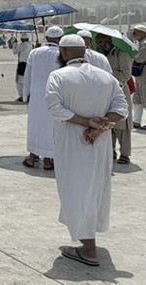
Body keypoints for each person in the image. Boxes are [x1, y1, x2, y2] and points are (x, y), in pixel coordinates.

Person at [45, 34, 128, 267]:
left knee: (76, 190)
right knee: (94, 190)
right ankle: (87, 240)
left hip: (72, 143)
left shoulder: (58, 76)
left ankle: (89, 248)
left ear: (63, 52)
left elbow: (54, 108)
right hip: (99, 144)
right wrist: (99, 128)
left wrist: (88, 123)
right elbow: (121, 108)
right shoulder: (106, 77)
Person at [22, 26, 63, 170]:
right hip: (55, 95)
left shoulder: (35, 52)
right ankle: (47, 159)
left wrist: (25, 96)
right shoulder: (62, 53)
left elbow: (27, 75)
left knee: (35, 126)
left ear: (46, 38)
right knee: (51, 127)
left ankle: (32, 157)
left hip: (36, 96)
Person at [95, 33, 134, 164]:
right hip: (105, 92)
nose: (100, 44)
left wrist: (108, 74)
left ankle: (125, 154)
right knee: (107, 122)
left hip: (120, 91)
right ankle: (110, 151)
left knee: (122, 125)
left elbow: (126, 74)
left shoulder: (121, 53)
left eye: (102, 41)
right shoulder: (99, 55)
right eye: (98, 42)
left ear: (109, 40)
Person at [131, 24, 146, 129]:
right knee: (138, 98)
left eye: (136, 32)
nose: (134, 34)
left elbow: (140, 58)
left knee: (144, 96)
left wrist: (131, 55)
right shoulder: (140, 43)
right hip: (141, 75)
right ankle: (136, 121)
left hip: (144, 74)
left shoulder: (145, 44)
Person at [12, 34, 35, 101]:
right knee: (29, 80)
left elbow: (14, 52)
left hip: (22, 64)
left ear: (22, 39)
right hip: (30, 64)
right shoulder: (32, 45)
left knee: (19, 81)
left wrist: (15, 44)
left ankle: (22, 96)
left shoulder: (22, 45)